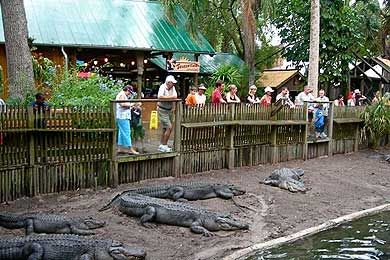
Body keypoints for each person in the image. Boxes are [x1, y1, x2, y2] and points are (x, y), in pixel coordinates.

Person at [116, 85, 139, 155]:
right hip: (123, 117)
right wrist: (132, 104)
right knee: (127, 132)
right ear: (127, 90)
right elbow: (122, 104)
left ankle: (120, 148)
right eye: (130, 92)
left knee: (121, 132)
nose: (129, 94)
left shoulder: (122, 94)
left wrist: (132, 106)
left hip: (122, 116)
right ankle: (130, 149)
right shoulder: (122, 94)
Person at [157, 75, 178, 152]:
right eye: (172, 83)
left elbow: (175, 96)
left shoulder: (173, 88)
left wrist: (173, 107)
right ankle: (164, 145)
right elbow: (159, 96)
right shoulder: (162, 87)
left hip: (169, 110)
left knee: (165, 128)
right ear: (168, 82)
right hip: (162, 109)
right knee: (169, 127)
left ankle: (162, 145)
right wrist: (170, 97)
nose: (173, 84)